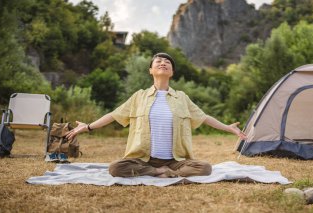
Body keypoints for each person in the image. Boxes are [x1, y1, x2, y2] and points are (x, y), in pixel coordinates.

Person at [66, 53, 247, 178]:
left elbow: (204, 117)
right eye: (158, 61)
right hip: (143, 159)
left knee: (205, 168)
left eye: (167, 62)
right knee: (115, 168)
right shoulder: (139, 96)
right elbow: (114, 115)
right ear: (151, 70)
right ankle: (158, 172)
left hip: (175, 161)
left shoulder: (181, 98)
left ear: (172, 72)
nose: (163, 63)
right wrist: (88, 126)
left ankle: (167, 171)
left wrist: (228, 128)